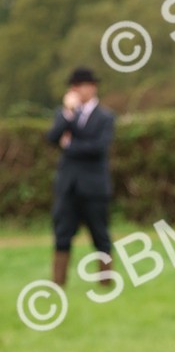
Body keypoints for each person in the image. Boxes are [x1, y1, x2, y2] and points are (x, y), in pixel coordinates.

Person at [46, 67, 115, 287]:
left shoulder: (105, 117)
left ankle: (105, 282)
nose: (76, 90)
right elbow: (52, 138)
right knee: (62, 234)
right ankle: (58, 283)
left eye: (80, 86)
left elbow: (98, 148)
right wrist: (68, 114)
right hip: (68, 186)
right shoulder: (65, 114)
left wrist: (69, 145)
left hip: (94, 187)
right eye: (73, 87)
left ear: (92, 87)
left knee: (100, 235)